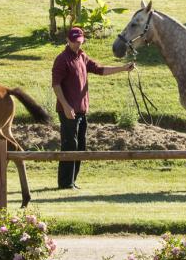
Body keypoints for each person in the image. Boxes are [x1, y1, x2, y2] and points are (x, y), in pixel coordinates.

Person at [51, 26, 134, 189]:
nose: (77, 45)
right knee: (69, 145)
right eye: (74, 42)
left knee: (80, 146)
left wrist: (123, 68)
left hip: (81, 111)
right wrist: (66, 106)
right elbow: (56, 85)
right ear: (67, 41)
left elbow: (100, 70)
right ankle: (65, 183)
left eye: (80, 42)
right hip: (68, 111)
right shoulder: (62, 59)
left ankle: (72, 181)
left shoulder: (82, 56)